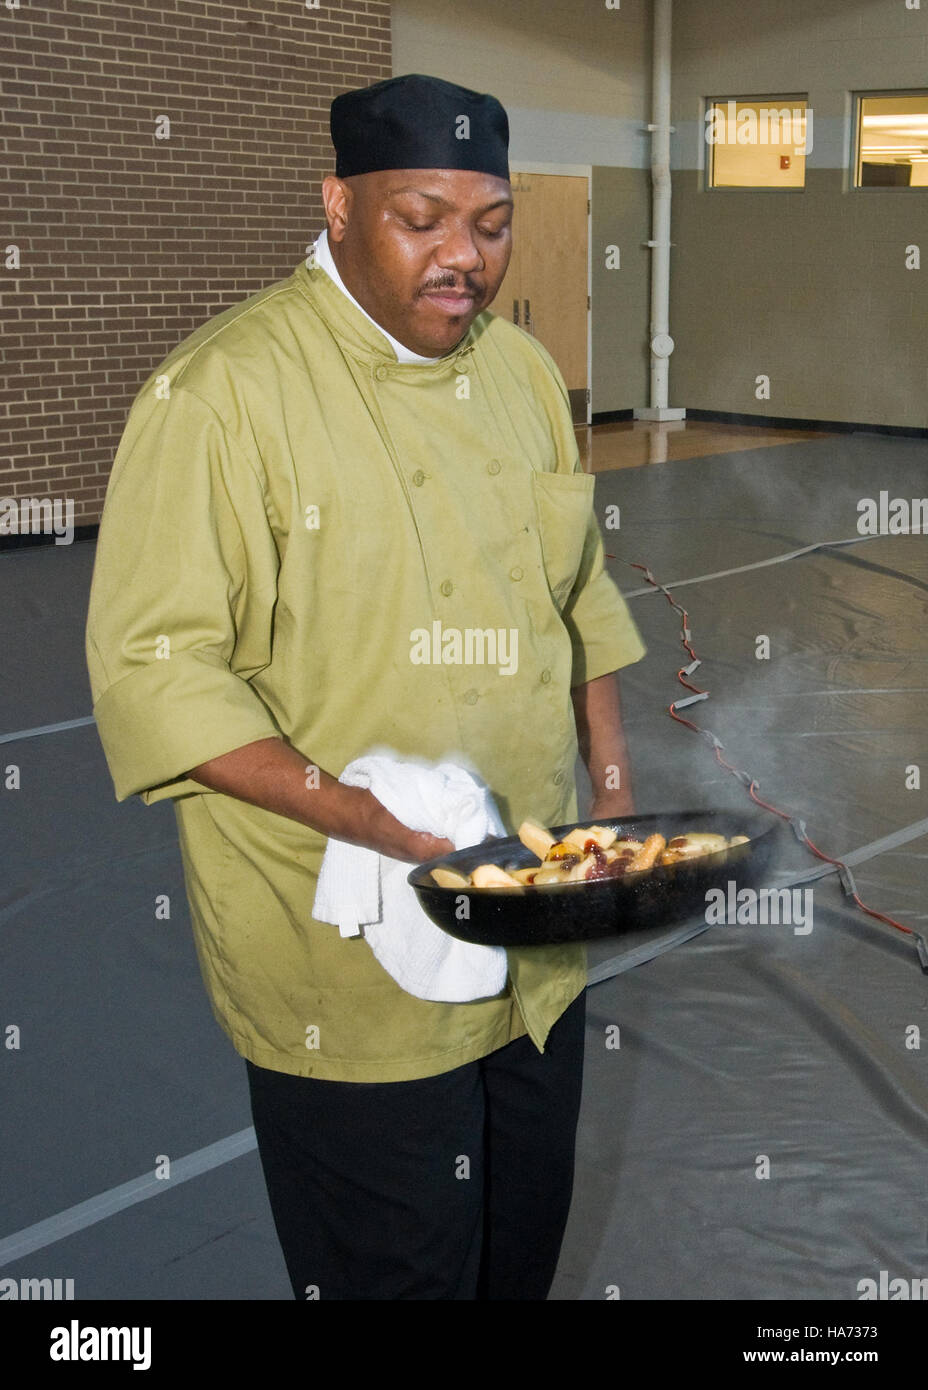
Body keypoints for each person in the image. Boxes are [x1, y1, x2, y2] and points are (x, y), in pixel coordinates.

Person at [85, 73, 646, 1300]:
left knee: (516, 1259)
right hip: (352, 960)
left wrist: (609, 790)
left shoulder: (517, 377)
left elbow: (579, 598)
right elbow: (156, 668)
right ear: (337, 205)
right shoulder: (223, 395)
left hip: (533, 930)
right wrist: (361, 819)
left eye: (490, 225)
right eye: (423, 219)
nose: (466, 259)